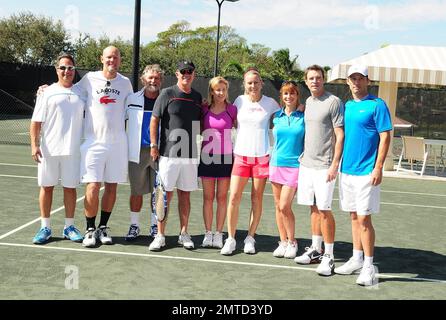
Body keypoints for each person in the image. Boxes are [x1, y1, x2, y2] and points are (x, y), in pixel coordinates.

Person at [334, 64, 392, 286]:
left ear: (367, 80)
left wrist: (378, 167)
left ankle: (369, 266)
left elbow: (385, 137)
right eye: (352, 78)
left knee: (364, 219)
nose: (356, 82)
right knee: (353, 216)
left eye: (360, 78)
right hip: (346, 171)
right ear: (348, 82)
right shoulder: (347, 106)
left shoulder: (377, 105)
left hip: (367, 172)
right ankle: (356, 258)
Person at [77, 46, 133, 247]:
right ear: (102, 58)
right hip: (93, 144)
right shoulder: (89, 79)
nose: (112, 60)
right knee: (92, 186)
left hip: (118, 144)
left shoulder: (126, 83)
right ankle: (90, 229)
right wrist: (47, 88)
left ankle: (103, 227)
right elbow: (69, 90)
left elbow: (134, 107)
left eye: (116, 57)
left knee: (111, 187)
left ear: (120, 60)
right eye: (109, 57)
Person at [220, 67, 280, 255]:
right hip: (240, 158)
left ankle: (250, 238)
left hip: (262, 158)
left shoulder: (271, 103)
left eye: (256, 82)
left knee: (257, 198)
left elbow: (286, 114)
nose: (253, 85)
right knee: (234, 197)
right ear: (244, 85)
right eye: (249, 82)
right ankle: (230, 238)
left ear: (262, 83)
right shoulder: (239, 101)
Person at [295, 65, 344, 276]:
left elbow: (340, 135)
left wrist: (334, 164)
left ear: (324, 80)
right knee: (313, 208)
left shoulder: (334, 102)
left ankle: (329, 256)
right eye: (311, 78)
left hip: (325, 166)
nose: (315, 81)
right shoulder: (308, 102)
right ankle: (316, 249)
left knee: (324, 210)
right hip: (306, 165)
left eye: (318, 78)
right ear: (306, 82)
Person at [30, 53, 84, 244]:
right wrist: (34, 145)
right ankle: (45, 227)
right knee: (47, 187)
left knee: (70, 188)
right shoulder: (47, 92)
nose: (66, 71)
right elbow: (36, 121)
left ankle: (69, 227)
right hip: (49, 150)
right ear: (56, 70)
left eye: (70, 68)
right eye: (63, 67)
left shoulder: (82, 92)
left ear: (74, 70)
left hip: (73, 151)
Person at [148, 60, 202, 251]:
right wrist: (154, 145)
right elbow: (155, 120)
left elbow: (200, 124)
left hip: (189, 156)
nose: (187, 74)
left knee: (185, 195)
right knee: (165, 195)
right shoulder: (167, 93)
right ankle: (160, 235)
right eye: (183, 71)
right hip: (168, 155)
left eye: (190, 71)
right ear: (177, 73)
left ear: (194, 74)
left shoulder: (197, 96)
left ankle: (184, 233)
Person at [124, 64, 164, 241]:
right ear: (143, 79)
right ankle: (134, 225)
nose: (153, 81)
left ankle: (155, 226)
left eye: (156, 78)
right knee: (136, 191)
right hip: (136, 151)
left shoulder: (166, 99)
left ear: (161, 81)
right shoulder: (130, 98)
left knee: (159, 191)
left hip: (160, 152)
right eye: (150, 78)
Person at [198, 76, 237, 249]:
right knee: (208, 197)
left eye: (223, 89)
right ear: (212, 91)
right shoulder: (204, 109)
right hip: (207, 157)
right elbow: (198, 128)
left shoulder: (233, 109)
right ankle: (208, 233)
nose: (220, 93)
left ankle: (219, 233)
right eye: (217, 89)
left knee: (222, 198)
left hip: (226, 158)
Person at [270, 81, 305, 259]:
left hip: (295, 166)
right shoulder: (276, 116)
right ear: (281, 97)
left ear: (297, 95)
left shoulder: (304, 116)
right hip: (276, 164)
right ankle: (283, 241)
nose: (288, 97)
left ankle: (292, 242)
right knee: (278, 206)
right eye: (285, 94)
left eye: (292, 93)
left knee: (285, 206)